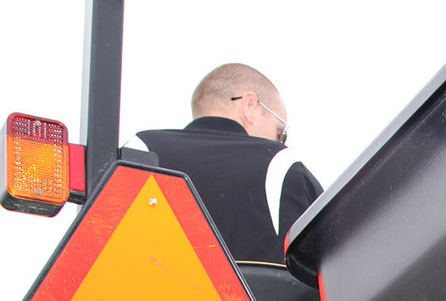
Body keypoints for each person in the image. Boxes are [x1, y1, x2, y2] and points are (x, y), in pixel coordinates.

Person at [129, 64, 322, 263]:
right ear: (249, 105)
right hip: (254, 295)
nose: (279, 141)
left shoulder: (138, 151)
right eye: (280, 132)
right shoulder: (281, 165)